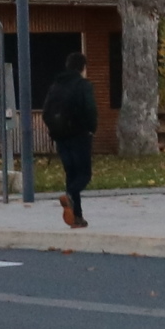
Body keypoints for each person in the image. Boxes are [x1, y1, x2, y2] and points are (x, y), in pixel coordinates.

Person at [40, 51, 99, 229]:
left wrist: (55, 129)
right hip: (80, 135)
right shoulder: (83, 85)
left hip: (60, 137)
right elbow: (90, 108)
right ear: (83, 68)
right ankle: (70, 195)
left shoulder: (55, 86)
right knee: (84, 175)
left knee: (71, 174)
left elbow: (45, 112)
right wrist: (91, 128)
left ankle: (76, 217)